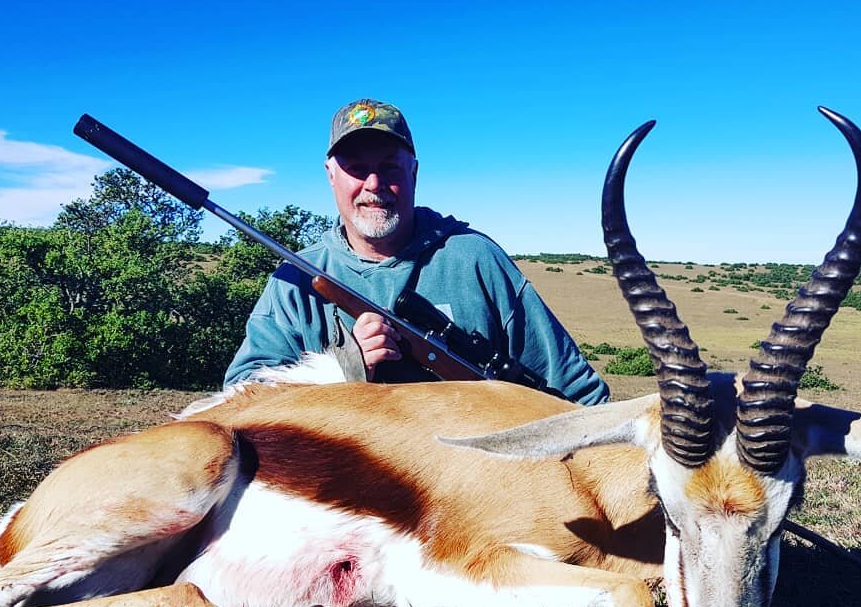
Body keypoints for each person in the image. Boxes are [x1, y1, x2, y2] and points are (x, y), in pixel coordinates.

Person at [224, 98, 609, 406]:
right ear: (330, 176)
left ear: (414, 173)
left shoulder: (476, 259)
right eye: (357, 169)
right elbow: (242, 396)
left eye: (390, 168)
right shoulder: (296, 279)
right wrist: (342, 366)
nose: (374, 185)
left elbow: (577, 393)